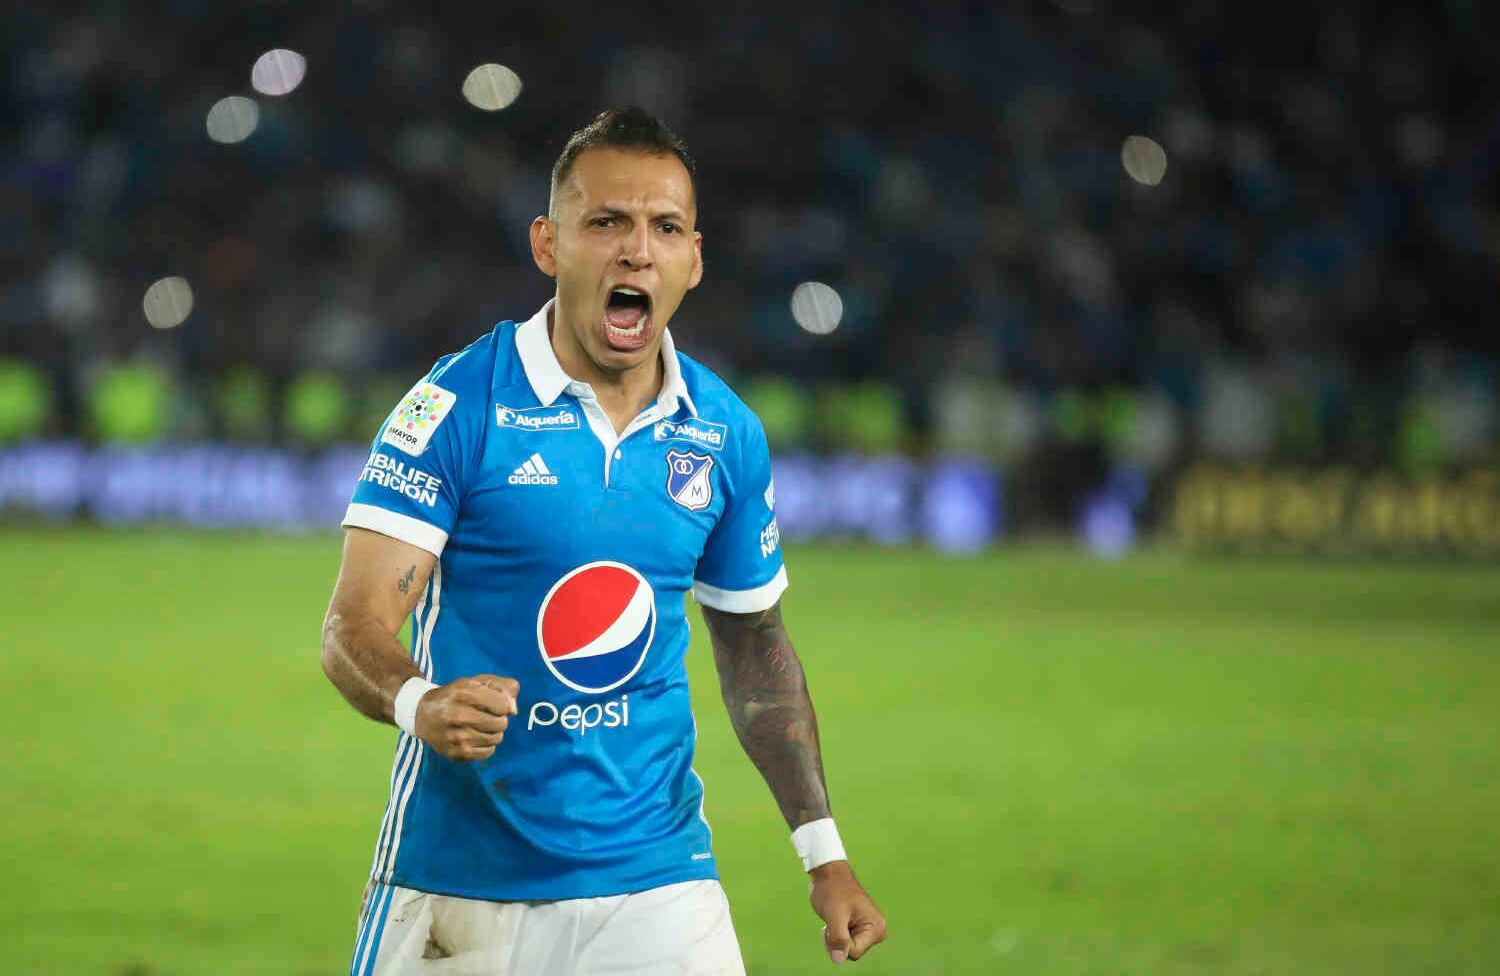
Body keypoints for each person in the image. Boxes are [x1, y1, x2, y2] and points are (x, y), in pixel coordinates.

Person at [321, 106, 886, 975]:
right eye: (607, 223)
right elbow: (353, 627)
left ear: (694, 260)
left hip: (658, 883)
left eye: (664, 228)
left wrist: (824, 854)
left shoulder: (723, 433)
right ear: (549, 245)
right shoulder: (456, 407)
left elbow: (754, 648)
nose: (637, 250)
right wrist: (419, 705)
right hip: (461, 885)